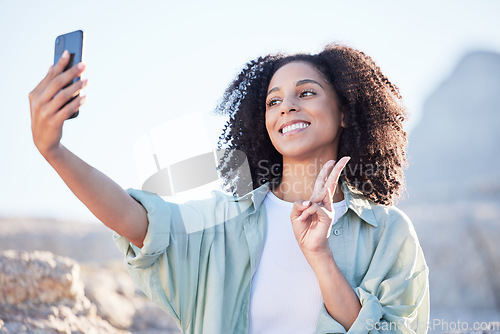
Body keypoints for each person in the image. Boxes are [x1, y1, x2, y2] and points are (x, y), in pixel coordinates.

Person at [29, 43, 429, 333]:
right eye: (273, 101)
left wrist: (320, 257)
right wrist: (54, 151)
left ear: (345, 113)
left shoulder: (389, 234)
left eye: (306, 93)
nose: (287, 106)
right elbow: (138, 221)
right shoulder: (222, 220)